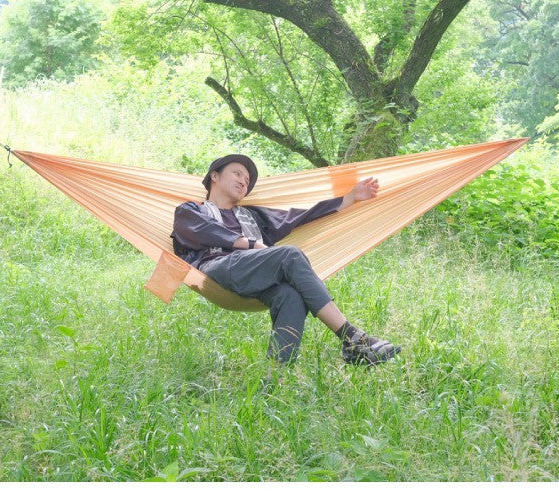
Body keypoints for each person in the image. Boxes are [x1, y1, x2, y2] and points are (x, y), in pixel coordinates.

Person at [171, 154, 401, 367]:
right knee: (289, 254)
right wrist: (251, 244)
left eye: (247, 180)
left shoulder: (252, 216)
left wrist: (349, 198)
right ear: (215, 176)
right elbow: (201, 230)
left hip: (252, 274)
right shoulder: (191, 210)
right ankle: (352, 338)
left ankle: (276, 376)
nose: (243, 181)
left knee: (290, 296)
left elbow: (300, 215)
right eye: (237, 173)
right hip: (216, 268)